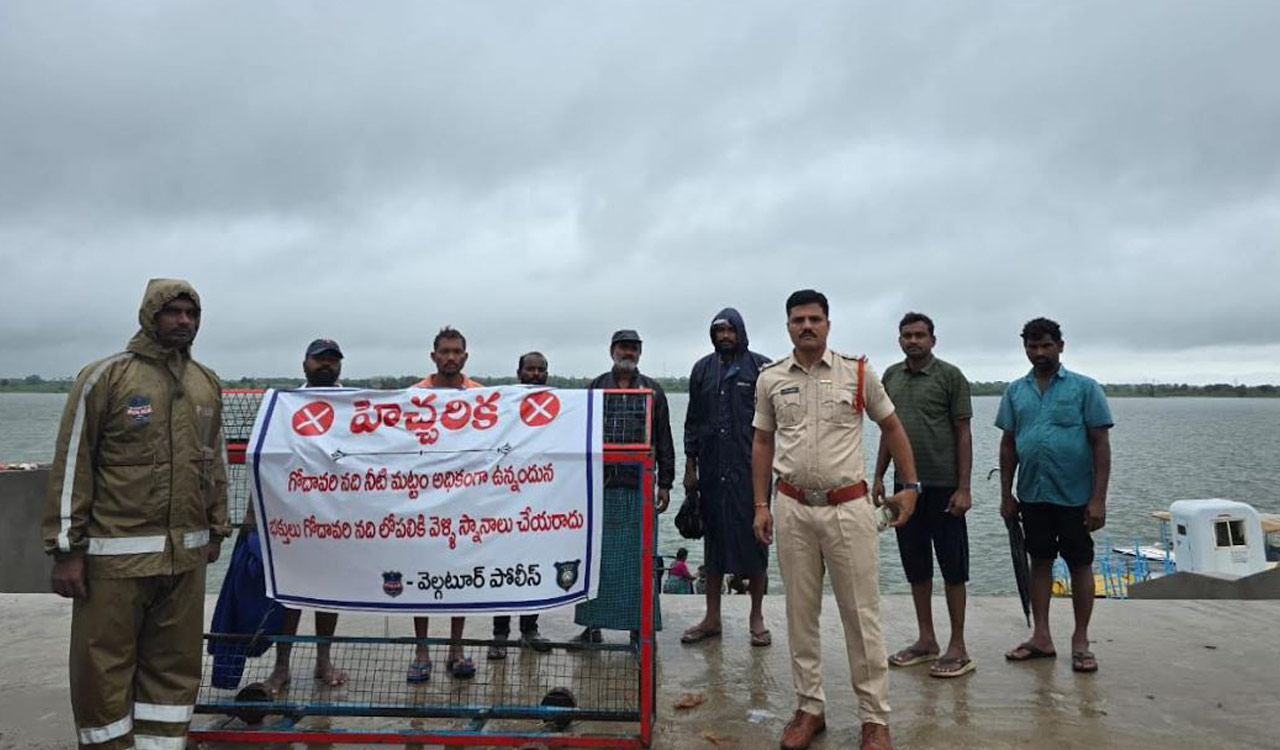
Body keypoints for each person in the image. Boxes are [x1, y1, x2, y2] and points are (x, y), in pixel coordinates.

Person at [43, 279, 230, 750]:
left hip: (184, 565)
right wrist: (66, 549)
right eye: (173, 312)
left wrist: (216, 529)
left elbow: (217, 463)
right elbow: (73, 465)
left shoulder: (205, 383)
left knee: (174, 670)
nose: (183, 321)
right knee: (102, 670)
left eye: (191, 313)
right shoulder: (105, 378)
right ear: (150, 315)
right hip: (114, 565)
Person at [752, 289, 920, 750]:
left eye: (814, 319)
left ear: (828, 323)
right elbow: (762, 442)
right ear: (788, 326)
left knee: (861, 615)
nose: (806, 326)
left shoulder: (858, 372)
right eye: (797, 320)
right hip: (792, 508)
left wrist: (910, 486)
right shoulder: (770, 379)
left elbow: (892, 427)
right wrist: (761, 506)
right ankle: (810, 708)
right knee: (799, 613)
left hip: (849, 509)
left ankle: (874, 718)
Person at [997, 317, 1113, 674]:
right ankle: (1042, 637)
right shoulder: (1015, 392)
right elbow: (1008, 445)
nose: (1039, 352)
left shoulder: (1085, 388)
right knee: (1040, 562)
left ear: (1061, 346)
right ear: (1025, 349)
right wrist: (1006, 495)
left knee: (1080, 564)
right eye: (1032, 346)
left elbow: (1100, 445)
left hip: (1076, 496)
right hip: (1033, 494)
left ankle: (1081, 641)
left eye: (1046, 345)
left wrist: (1098, 499)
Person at [873, 313, 975, 678]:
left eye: (920, 335)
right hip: (906, 489)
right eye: (907, 335)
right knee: (916, 567)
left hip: (945, 486)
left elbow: (963, 433)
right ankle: (926, 639)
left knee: (953, 567)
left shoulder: (950, 377)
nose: (913, 341)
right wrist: (879, 475)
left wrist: (964, 487)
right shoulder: (891, 377)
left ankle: (958, 644)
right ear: (899, 340)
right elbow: (888, 430)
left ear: (933, 339)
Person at [253, 339, 349, 692]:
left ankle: (324, 661)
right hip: (295, 515)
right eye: (319, 359)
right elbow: (263, 460)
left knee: (329, 595)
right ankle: (281, 667)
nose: (326, 365)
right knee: (289, 597)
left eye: (332, 360)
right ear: (305, 363)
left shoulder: (354, 405)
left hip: (338, 516)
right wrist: (253, 512)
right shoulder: (284, 405)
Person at [570, 329, 675, 646]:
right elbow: (581, 435)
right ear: (611, 350)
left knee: (640, 561)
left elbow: (664, 440)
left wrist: (666, 483)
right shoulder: (596, 388)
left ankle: (638, 628)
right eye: (623, 347)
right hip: (600, 486)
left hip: (639, 486)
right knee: (594, 559)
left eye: (633, 348)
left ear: (639, 353)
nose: (628, 353)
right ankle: (592, 627)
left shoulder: (654, 391)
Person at [681, 308, 773, 647]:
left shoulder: (762, 368)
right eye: (718, 330)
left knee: (757, 541)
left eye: (729, 330)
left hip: (752, 473)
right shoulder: (702, 369)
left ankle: (757, 617)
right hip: (711, 470)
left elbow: (776, 425)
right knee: (714, 543)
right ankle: (712, 617)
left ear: (741, 331)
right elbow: (692, 420)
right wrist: (690, 467)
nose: (724, 336)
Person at [409, 327, 482, 681]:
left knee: (461, 575)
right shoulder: (413, 396)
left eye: (457, 352)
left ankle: (457, 648)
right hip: (423, 498)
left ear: (465, 357)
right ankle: (421, 650)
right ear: (434, 356)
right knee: (420, 573)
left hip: (464, 500)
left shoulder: (481, 396)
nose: (450, 357)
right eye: (444, 351)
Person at [488, 351, 554, 660]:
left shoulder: (558, 407)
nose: (536, 374)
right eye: (530, 369)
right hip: (505, 501)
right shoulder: (505, 404)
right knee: (503, 571)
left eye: (541, 370)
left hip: (539, 502)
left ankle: (530, 629)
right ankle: (500, 636)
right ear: (519, 372)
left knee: (534, 569)